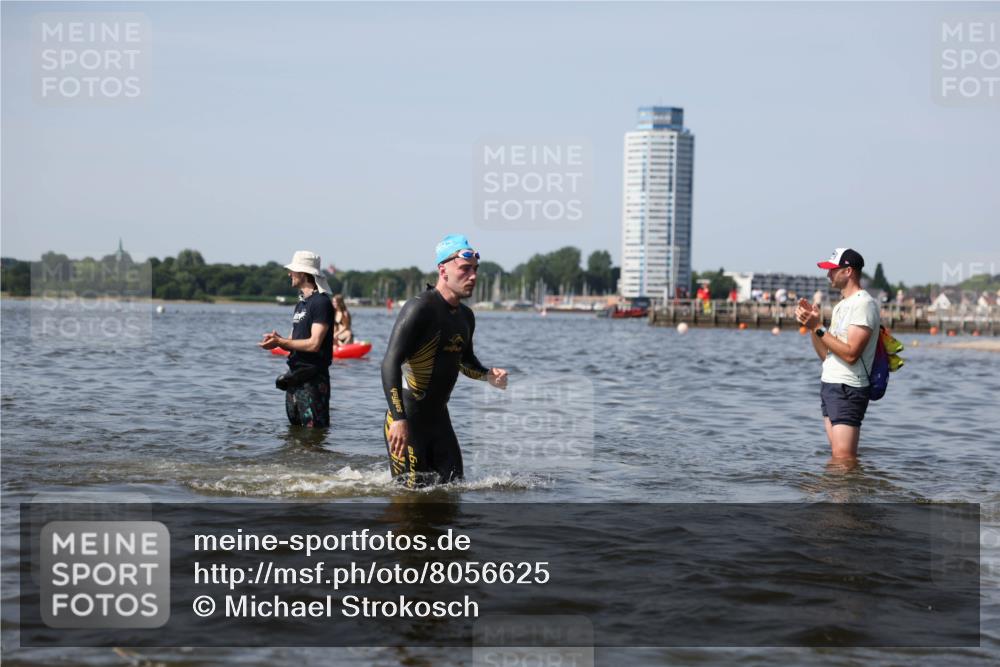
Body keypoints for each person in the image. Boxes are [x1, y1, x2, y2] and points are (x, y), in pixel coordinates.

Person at [381, 234, 508, 487]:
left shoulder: (466, 317)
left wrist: (487, 375)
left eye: (475, 270)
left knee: (454, 490)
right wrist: (399, 419)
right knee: (410, 502)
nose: (472, 276)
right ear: (443, 270)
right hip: (408, 417)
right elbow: (389, 364)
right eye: (465, 269)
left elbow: (464, 361)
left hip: (439, 419)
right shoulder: (420, 308)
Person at [795, 248, 880, 461]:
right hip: (831, 385)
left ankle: (850, 494)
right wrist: (813, 326)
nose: (828, 275)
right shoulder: (841, 306)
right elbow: (827, 355)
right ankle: (838, 494)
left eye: (833, 270)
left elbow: (851, 354)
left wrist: (819, 327)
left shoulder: (863, 304)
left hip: (848, 387)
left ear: (848, 271)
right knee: (838, 457)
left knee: (844, 458)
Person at [259, 251, 335, 428]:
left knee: (313, 436)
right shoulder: (300, 304)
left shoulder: (321, 303)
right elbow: (294, 341)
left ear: (303, 273)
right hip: (295, 378)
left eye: (292, 271)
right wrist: (278, 340)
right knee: (294, 436)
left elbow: (314, 344)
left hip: (314, 380)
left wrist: (281, 342)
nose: (289, 274)